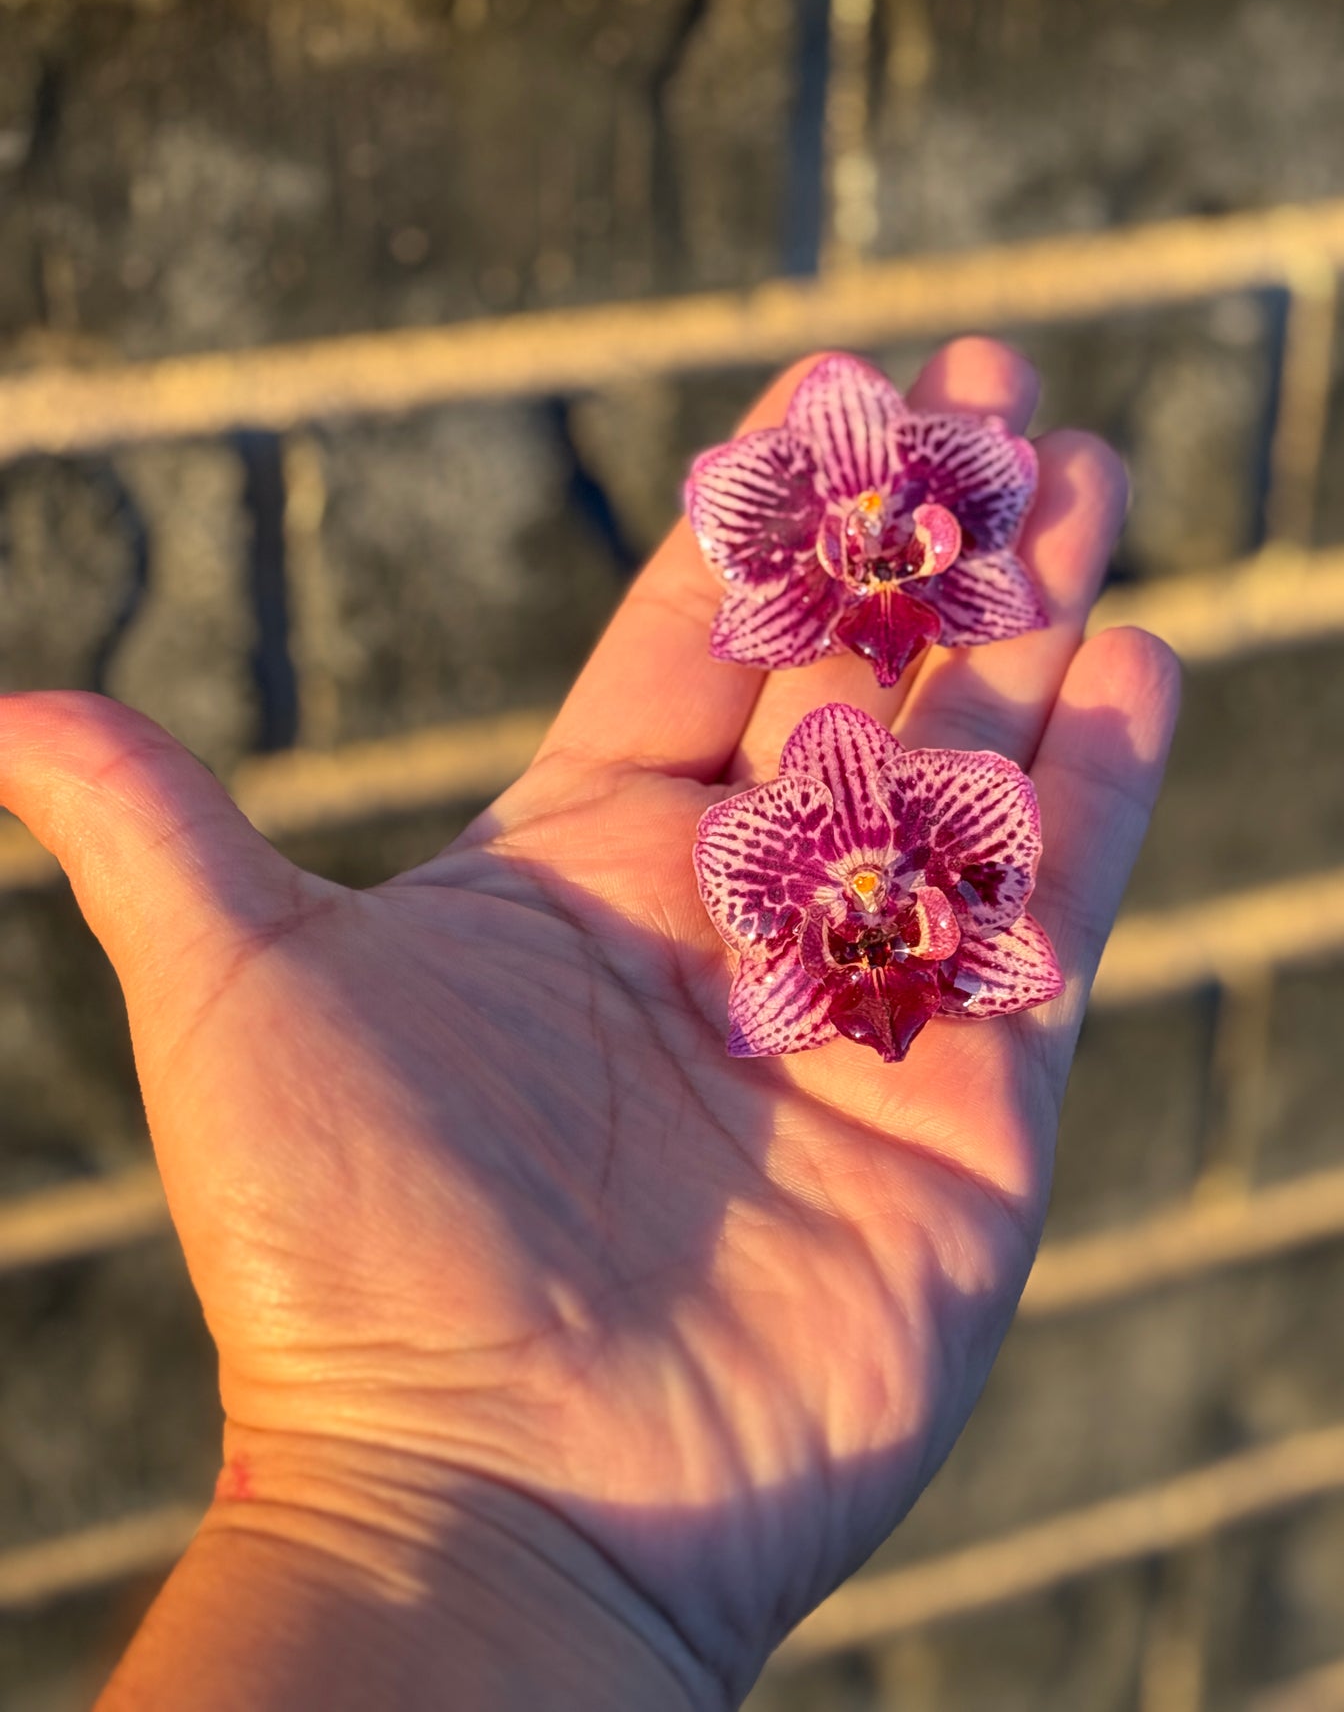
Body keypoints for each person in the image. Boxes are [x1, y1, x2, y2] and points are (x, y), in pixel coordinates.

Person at [0, 339, 1178, 1710]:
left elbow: (966, 929)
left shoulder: (924, 852)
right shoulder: (776, 857)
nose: (867, 915)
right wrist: (416, 1474)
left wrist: (409, 1492)